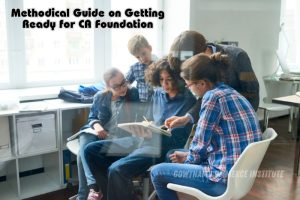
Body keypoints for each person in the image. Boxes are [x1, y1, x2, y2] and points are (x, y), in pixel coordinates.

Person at [150, 52, 262, 200]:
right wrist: (189, 156)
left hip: (219, 180)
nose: (188, 87)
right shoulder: (232, 92)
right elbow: (216, 144)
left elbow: (199, 144)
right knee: (175, 155)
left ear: (201, 83)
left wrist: (188, 162)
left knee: (157, 172)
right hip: (238, 176)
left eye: (188, 84)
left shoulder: (212, 98)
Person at [83, 58, 196, 200]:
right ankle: (113, 195)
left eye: (168, 79)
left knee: (116, 169)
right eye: (161, 80)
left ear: (177, 79)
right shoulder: (158, 94)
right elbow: (148, 119)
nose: (164, 84)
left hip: (159, 148)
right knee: (90, 151)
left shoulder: (188, 100)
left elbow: (178, 140)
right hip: (140, 140)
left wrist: (151, 134)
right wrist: (142, 128)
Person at [166, 30, 260, 128]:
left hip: (239, 125)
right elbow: (204, 98)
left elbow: (252, 95)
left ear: (201, 55)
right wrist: (187, 118)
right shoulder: (193, 65)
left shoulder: (238, 57)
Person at [74, 68, 139, 200]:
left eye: (124, 82)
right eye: (117, 86)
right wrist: (96, 125)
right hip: (98, 134)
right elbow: (92, 117)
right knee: (85, 137)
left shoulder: (132, 93)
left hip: (117, 138)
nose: (122, 88)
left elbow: (139, 114)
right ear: (108, 86)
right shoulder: (100, 96)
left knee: (82, 154)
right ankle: (93, 188)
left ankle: (88, 193)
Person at [126, 34, 156, 104]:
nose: (142, 58)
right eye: (138, 57)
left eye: (144, 53)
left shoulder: (159, 64)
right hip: (141, 104)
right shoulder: (135, 68)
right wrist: (133, 91)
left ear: (150, 48)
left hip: (156, 103)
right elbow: (126, 82)